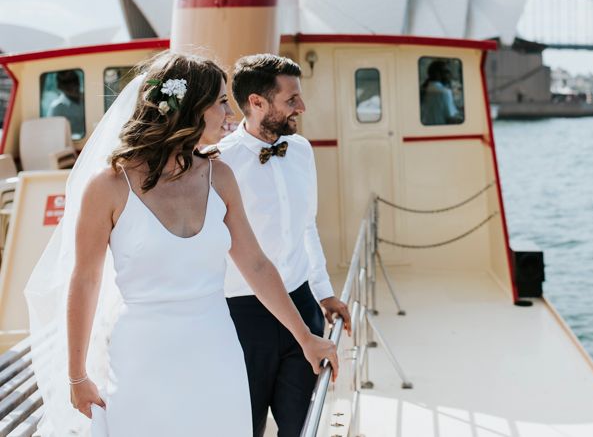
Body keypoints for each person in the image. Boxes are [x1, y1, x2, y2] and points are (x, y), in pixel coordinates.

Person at [25, 52, 337, 437]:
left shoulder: (219, 176)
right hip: (142, 361)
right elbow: (85, 280)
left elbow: (255, 264)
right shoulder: (108, 186)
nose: (231, 113)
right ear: (189, 109)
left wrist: (305, 338)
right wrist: (76, 376)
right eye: (221, 102)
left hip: (217, 352)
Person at [218, 54, 351, 437]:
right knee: (247, 426)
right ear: (257, 102)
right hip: (242, 318)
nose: (302, 107)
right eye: (291, 99)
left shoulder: (302, 151)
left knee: (302, 426)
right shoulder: (219, 163)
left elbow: (306, 227)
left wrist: (323, 292)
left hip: (303, 304)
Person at [420, 59, 463, 125]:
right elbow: (451, 118)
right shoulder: (445, 92)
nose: (450, 75)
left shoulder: (424, 89)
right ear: (437, 74)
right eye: (447, 72)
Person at [47, 69, 85, 138]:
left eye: (74, 80)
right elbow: (54, 136)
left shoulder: (88, 99)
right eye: (67, 83)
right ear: (60, 87)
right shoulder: (56, 108)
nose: (73, 85)